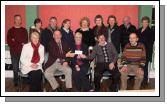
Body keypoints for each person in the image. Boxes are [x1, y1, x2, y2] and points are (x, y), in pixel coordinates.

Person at [7, 14, 28, 86]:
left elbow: (25, 41)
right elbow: (9, 42)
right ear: (14, 20)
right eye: (17, 19)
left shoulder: (24, 30)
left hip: (23, 52)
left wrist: (15, 39)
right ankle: (16, 81)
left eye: (20, 19)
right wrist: (20, 42)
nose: (18, 21)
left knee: (24, 67)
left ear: (21, 20)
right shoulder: (10, 30)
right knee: (15, 68)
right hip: (14, 52)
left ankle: (24, 80)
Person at [137, 16, 155, 85]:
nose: (144, 23)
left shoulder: (151, 31)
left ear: (148, 23)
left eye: (146, 22)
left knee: (145, 67)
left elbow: (150, 42)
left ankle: (144, 81)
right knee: (139, 66)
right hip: (138, 51)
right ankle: (139, 79)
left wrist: (140, 40)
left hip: (146, 52)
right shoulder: (138, 30)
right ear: (142, 22)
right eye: (143, 22)